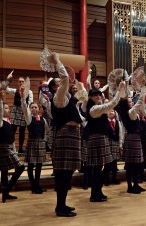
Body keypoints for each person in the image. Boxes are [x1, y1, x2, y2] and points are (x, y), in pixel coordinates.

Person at [50, 52, 84, 217]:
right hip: (65, 134)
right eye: (59, 82)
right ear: (55, 87)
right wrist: (57, 60)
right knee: (63, 172)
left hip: (72, 134)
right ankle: (60, 207)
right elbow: (64, 78)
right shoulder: (58, 98)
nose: (63, 81)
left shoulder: (69, 98)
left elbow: (71, 84)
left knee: (68, 172)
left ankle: (62, 204)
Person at [86, 82, 125, 202]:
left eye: (99, 95)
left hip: (101, 137)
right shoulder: (94, 109)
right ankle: (95, 193)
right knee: (99, 167)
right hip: (97, 138)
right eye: (95, 95)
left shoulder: (97, 107)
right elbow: (112, 104)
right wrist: (119, 90)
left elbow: (109, 105)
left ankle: (97, 191)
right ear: (90, 98)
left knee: (106, 165)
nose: (98, 97)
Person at [0, 90, 25, 203]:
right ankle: (6, 190)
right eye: (6, 108)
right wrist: (0, 100)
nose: (8, 110)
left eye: (8, 108)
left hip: (9, 147)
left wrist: (14, 149)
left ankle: (5, 193)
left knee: (5, 171)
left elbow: (11, 138)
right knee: (20, 167)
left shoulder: (8, 121)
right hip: (4, 147)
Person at [21, 89, 49, 194]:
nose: (33, 109)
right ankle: (33, 186)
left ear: (39, 109)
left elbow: (47, 130)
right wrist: (24, 100)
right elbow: (24, 108)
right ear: (30, 109)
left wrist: (45, 140)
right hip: (32, 143)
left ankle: (37, 185)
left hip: (41, 143)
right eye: (32, 107)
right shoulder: (28, 118)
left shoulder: (43, 119)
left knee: (39, 166)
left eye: (35, 107)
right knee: (31, 165)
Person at [6, 75, 33, 153]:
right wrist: (8, 79)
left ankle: (20, 148)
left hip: (24, 111)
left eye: (22, 81)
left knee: (22, 131)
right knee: (12, 130)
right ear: (18, 83)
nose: (21, 82)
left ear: (24, 82)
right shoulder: (15, 91)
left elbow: (30, 102)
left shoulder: (29, 91)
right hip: (15, 110)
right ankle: (10, 147)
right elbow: (6, 89)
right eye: (19, 81)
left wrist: (28, 113)